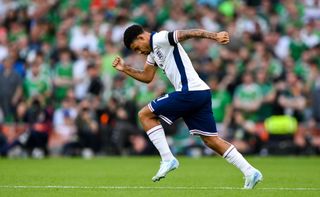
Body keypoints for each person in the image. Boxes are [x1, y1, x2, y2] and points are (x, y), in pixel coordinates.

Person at [112, 24, 262, 189]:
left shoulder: (160, 38)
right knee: (211, 140)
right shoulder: (153, 52)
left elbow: (188, 33)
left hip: (189, 92)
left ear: (141, 38)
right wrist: (125, 68)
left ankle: (168, 159)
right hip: (200, 93)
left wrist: (215, 36)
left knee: (144, 114)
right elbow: (147, 77)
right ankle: (250, 171)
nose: (138, 52)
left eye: (136, 47)